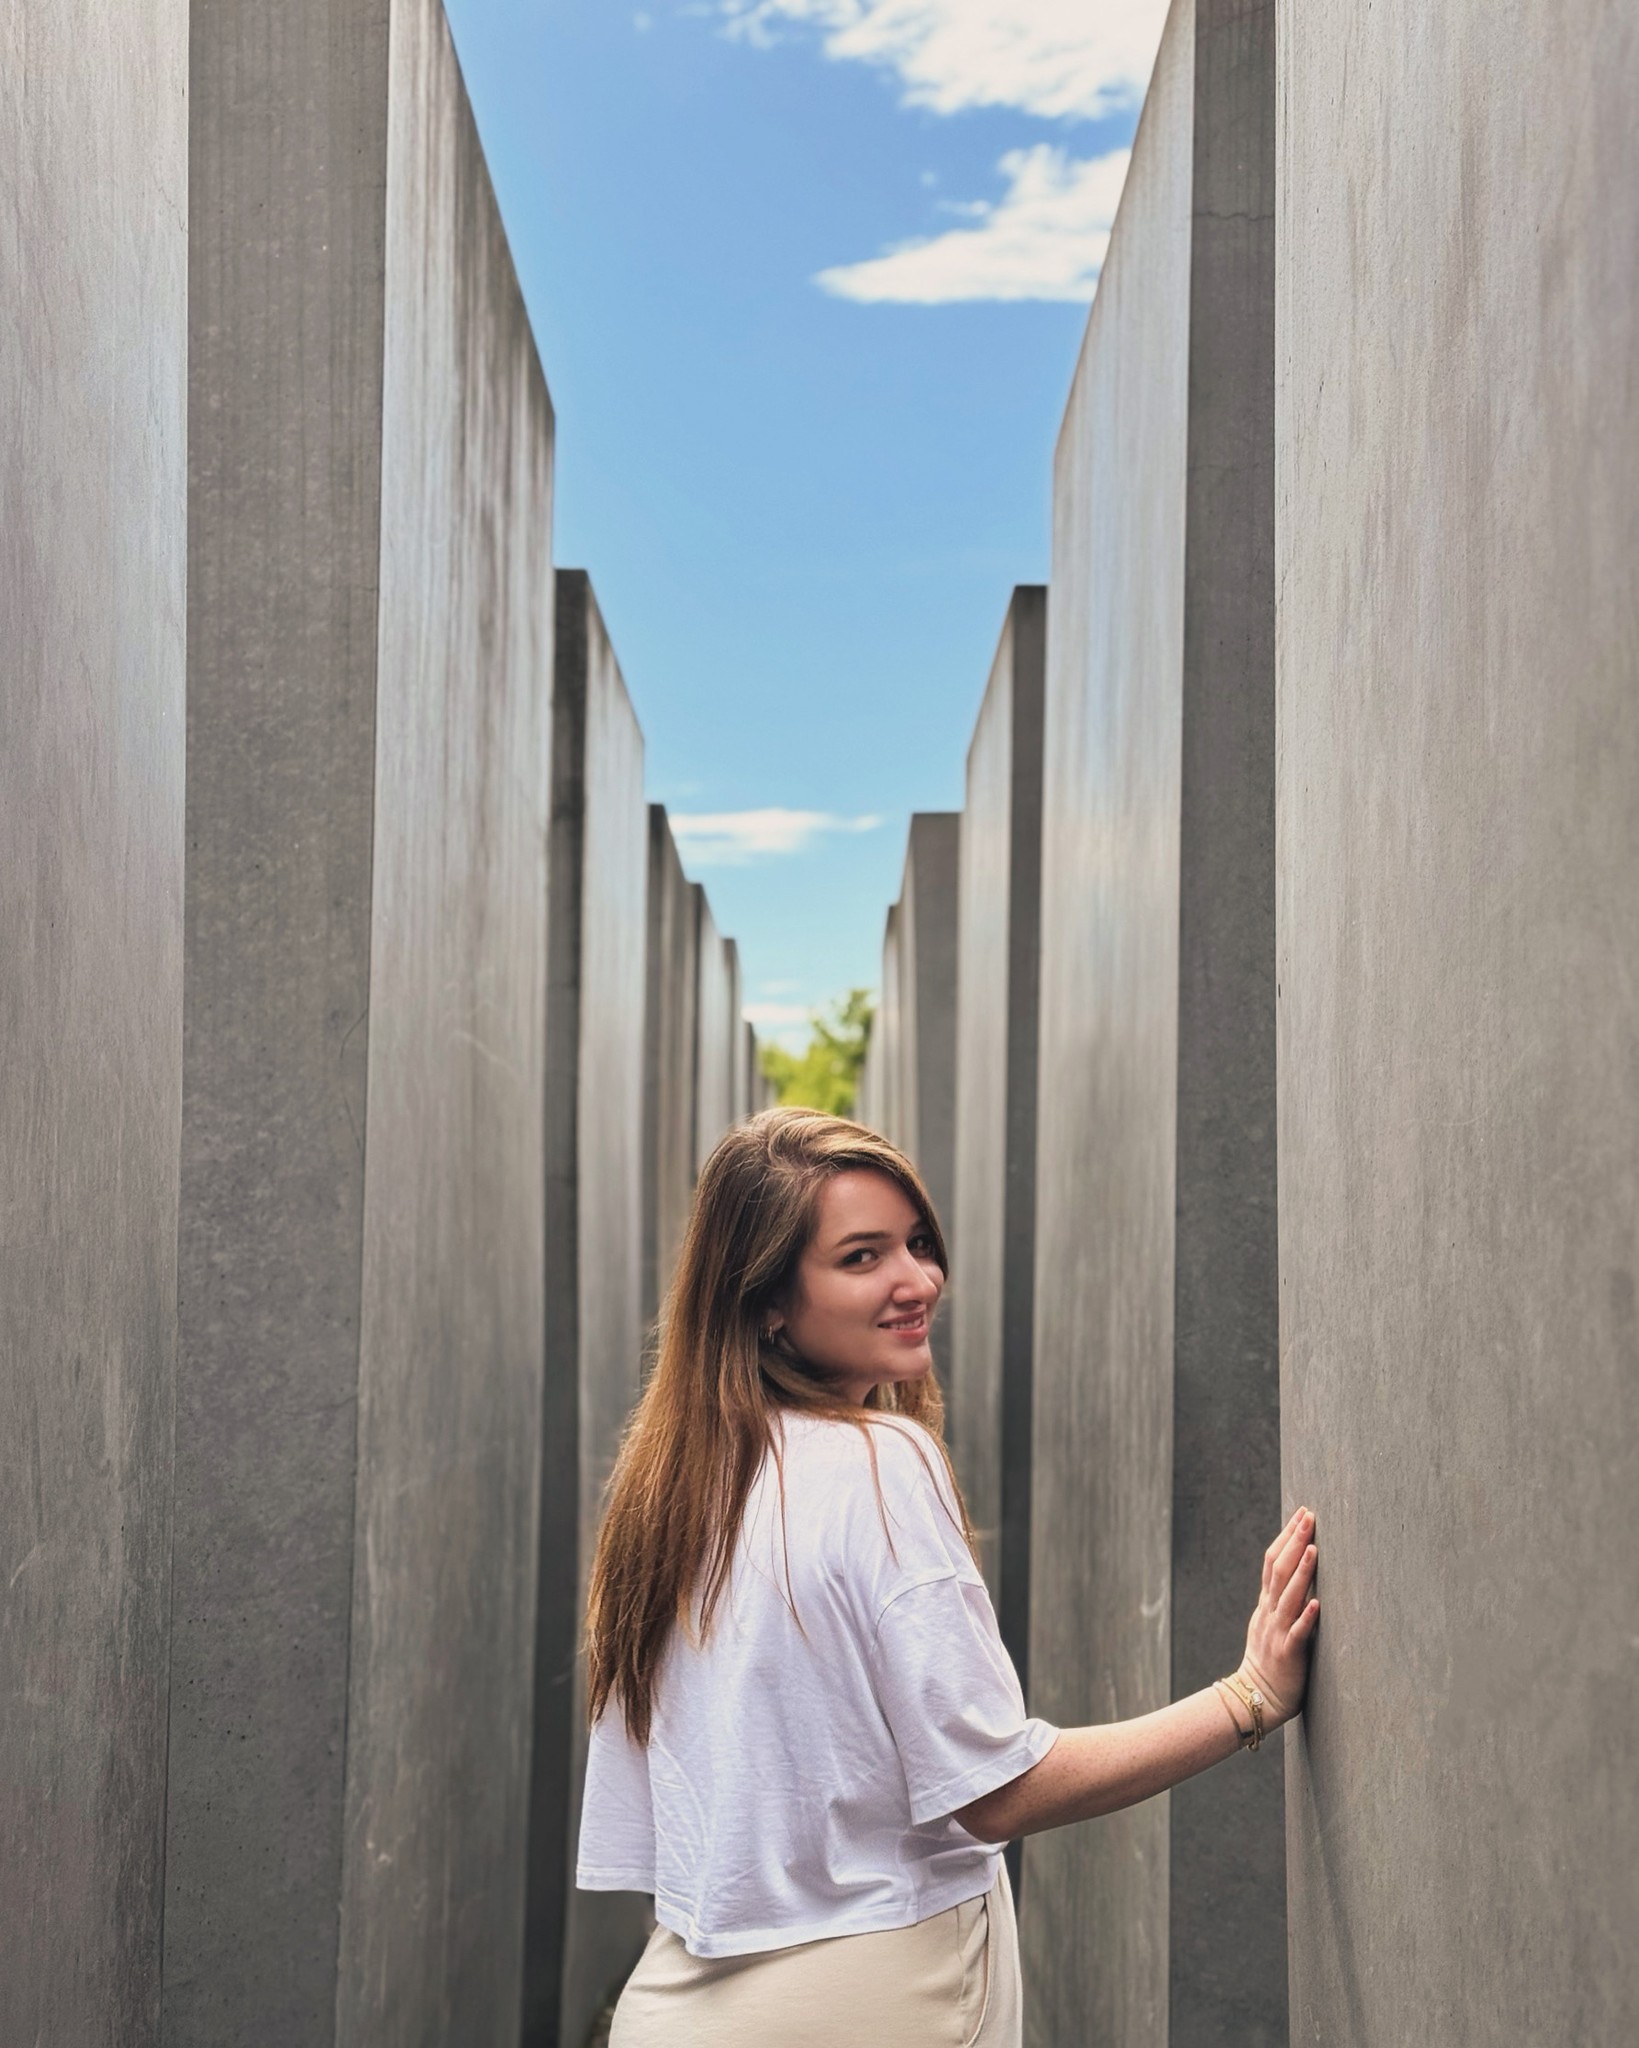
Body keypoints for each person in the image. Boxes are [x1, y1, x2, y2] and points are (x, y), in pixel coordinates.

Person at [576, 1109, 1319, 2046]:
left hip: (677, 2003)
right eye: (860, 1257)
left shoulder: (667, 1487)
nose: (916, 1280)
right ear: (763, 1301)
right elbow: (993, 1789)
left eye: (917, 1243)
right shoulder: (879, 1462)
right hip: (876, 1994)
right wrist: (1247, 1697)